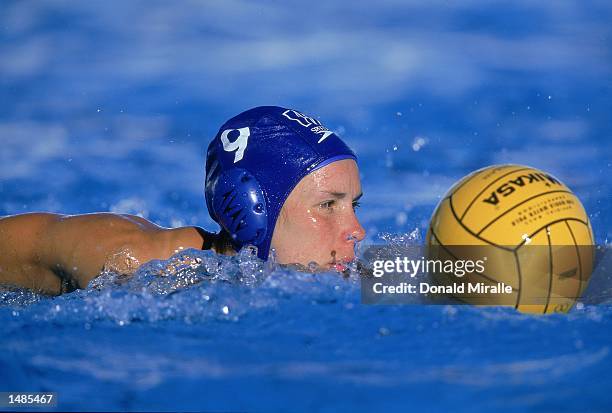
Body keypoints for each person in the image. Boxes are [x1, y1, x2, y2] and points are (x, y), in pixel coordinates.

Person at [0, 106, 366, 295]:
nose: (357, 231)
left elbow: (415, 279)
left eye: (354, 205)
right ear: (252, 209)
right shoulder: (129, 260)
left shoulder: (327, 272)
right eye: (328, 205)